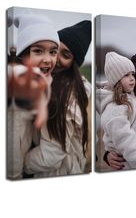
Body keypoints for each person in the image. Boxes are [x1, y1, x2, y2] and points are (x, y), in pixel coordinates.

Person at [23, 20, 92, 177]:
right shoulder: (49, 83)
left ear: (74, 63)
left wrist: (20, 164)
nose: (53, 59)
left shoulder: (64, 95)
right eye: (54, 50)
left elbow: (51, 154)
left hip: (53, 173)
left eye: (65, 55)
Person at [7, 13, 60, 180]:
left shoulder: (49, 82)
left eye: (53, 52)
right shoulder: (15, 77)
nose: (47, 59)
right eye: (38, 51)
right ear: (23, 56)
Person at [96, 51, 136, 170]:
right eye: (126, 75)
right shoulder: (118, 105)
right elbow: (123, 137)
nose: (131, 79)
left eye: (132, 75)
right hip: (132, 160)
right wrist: (108, 154)